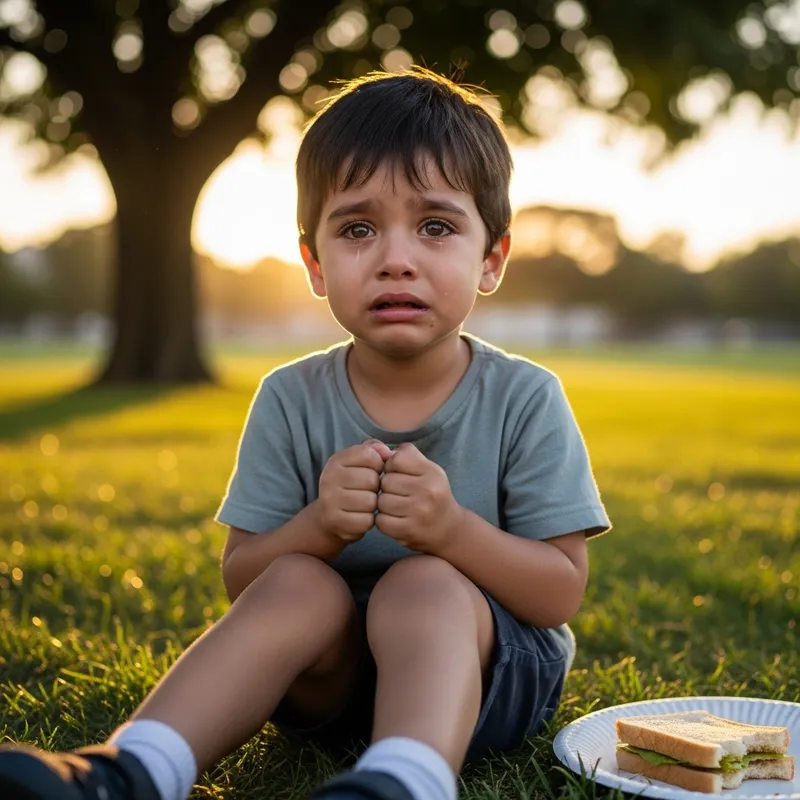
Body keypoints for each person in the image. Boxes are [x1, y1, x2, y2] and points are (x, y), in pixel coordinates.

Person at [0, 67, 611, 800]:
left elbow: (558, 594)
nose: (395, 257)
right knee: (296, 580)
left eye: (437, 226)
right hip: (330, 685)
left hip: (485, 685)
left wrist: (450, 531)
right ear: (315, 265)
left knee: (423, 583)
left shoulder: (523, 397)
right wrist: (320, 525)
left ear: (492, 259)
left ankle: (407, 780)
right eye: (357, 228)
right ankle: (131, 769)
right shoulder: (290, 397)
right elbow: (243, 580)